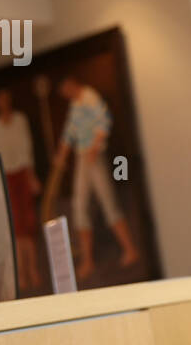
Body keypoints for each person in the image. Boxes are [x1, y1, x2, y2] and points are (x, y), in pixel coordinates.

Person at [52, 76, 139, 281]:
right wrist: (62, 155)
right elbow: (70, 132)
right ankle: (88, 260)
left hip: (94, 155)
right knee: (79, 205)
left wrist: (95, 144)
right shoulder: (75, 105)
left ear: (71, 85)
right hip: (83, 156)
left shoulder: (90, 97)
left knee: (108, 202)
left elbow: (104, 120)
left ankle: (130, 249)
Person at [0, 88, 43, 291]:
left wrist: (30, 175)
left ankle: (34, 269)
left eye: (6, 99)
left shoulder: (20, 120)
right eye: (0, 100)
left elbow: (26, 147)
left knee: (29, 221)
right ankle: (21, 273)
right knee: (15, 224)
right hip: (7, 175)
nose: (4, 103)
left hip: (22, 171)